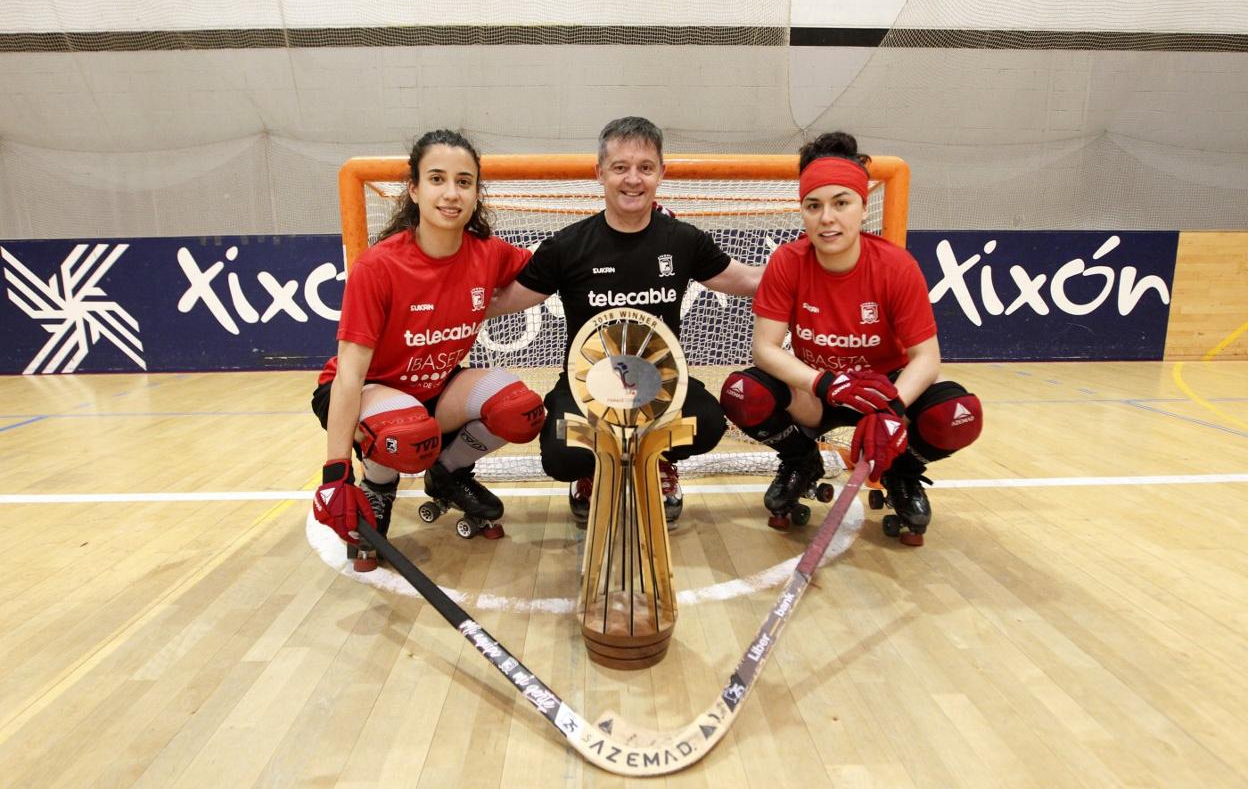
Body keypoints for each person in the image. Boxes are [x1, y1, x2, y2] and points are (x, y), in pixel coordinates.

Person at [488, 116, 762, 525]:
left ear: (661, 174)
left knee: (706, 422)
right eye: (620, 167)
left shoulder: (683, 240)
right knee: (561, 454)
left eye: (645, 168)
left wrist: (819, 270)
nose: (633, 179)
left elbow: (748, 280)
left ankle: (659, 462)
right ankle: (590, 469)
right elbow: (505, 300)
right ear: (599, 173)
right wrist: (442, 295)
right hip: (587, 389)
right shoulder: (568, 246)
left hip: (662, 385)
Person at [718, 131, 983, 542]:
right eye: (814, 206)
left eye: (841, 203)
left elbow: (927, 358)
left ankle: (902, 473)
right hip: (817, 391)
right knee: (741, 392)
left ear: (862, 207)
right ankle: (801, 461)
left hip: (881, 393)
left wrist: (893, 407)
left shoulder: (896, 266)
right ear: (802, 212)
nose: (827, 218)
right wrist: (824, 381)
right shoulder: (788, 262)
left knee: (959, 414)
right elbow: (765, 349)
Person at [311, 130, 546, 569]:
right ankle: (377, 487)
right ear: (414, 190)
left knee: (522, 410)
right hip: (366, 392)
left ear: (477, 192)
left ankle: (448, 472)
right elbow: (348, 375)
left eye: (464, 181)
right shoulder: (378, 267)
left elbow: (548, 275)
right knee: (409, 434)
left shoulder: (488, 253)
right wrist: (335, 472)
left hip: (434, 391)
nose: (451, 193)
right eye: (437, 179)